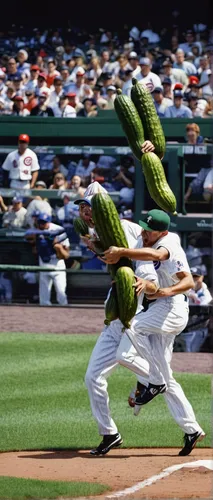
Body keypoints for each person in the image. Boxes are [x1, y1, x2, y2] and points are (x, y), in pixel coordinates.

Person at [103, 209, 205, 456]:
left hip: (173, 308)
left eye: (149, 229)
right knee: (167, 377)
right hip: (160, 309)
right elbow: (150, 282)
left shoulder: (168, 242)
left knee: (132, 327)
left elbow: (188, 281)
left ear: (163, 231)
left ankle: (152, 382)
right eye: (144, 227)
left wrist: (161, 291)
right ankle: (192, 429)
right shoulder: (143, 243)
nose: (145, 232)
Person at [26, 212, 70, 306]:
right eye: (40, 222)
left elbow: (66, 255)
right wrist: (36, 237)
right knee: (44, 299)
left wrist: (57, 246)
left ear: (49, 222)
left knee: (61, 293)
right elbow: (28, 237)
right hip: (44, 265)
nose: (42, 224)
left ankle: (65, 316)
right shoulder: (36, 230)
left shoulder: (58, 229)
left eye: (44, 222)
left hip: (57, 266)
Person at [182, 266, 212, 352]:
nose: (193, 279)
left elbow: (203, 306)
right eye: (191, 276)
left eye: (196, 277)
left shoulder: (205, 292)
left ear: (202, 277)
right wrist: (187, 294)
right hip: (182, 329)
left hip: (198, 329)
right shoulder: (184, 288)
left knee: (189, 352)